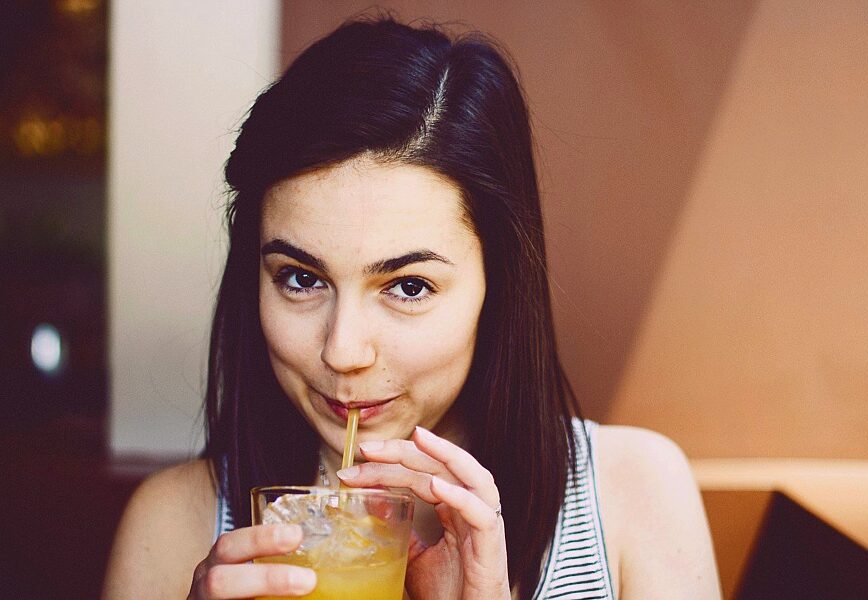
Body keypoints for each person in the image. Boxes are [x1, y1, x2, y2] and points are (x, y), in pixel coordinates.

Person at [103, 16, 720, 600]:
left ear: (496, 286)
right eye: (299, 278)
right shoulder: (173, 527)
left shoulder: (634, 496)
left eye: (409, 287)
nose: (343, 351)